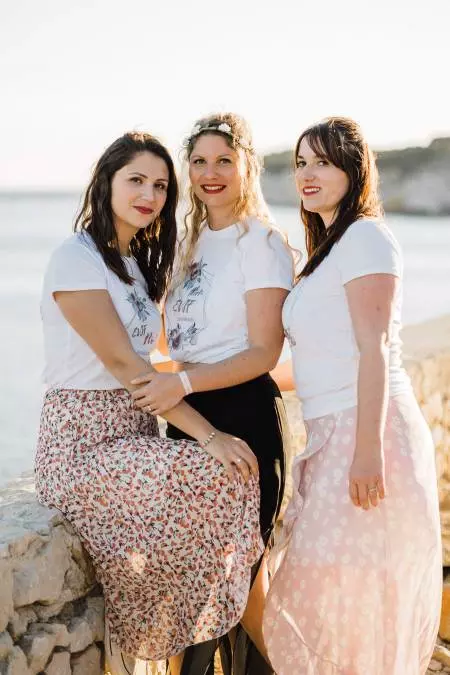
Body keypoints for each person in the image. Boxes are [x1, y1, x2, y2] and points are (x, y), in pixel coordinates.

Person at [34, 132, 264, 675]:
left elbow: (162, 357)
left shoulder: (133, 265)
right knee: (220, 472)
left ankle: (214, 649)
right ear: (106, 181)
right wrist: (209, 433)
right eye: (136, 179)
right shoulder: (76, 258)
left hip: (135, 432)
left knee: (235, 480)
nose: (150, 195)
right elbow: (126, 368)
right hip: (81, 445)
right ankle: (199, 648)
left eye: (161, 185)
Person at [263, 117, 442, 674]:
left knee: (355, 597)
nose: (307, 174)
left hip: (367, 432)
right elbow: (321, 360)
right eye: (300, 163)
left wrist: (368, 452)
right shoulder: (327, 250)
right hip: (331, 433)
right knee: (332, 593)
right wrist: (231, 381)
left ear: (352, 168)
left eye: (322, 161)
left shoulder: (365, 236)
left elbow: (375, 349)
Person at [131, 113, 294, 674]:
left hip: (243, 412)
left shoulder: (262, 243)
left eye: (224, 159)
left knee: (241, 578)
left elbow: (263, 351)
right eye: (198, 161)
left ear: (246, 164)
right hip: (186, 423)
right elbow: (164, 337)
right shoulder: (184, 240)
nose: (210, 173)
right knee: (197, 582)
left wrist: (182, 381)